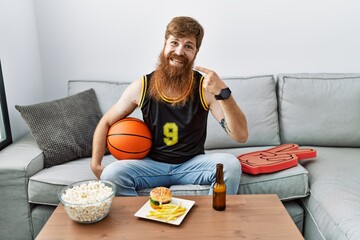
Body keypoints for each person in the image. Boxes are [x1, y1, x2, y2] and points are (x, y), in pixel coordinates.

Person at [91, 16, 248, 196]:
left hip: (192, 165)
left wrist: (223, 93)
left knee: (230, 165)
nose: (179, 51)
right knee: (111, 173)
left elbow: (241, 136)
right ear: (165, 44)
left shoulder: (205, 88)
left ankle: (215, 221)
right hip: (152, 166)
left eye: (188, 46)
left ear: (195, 53)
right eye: (174, 43)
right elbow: (106, 122)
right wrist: (95, 164)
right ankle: (140, 219)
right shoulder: (142, 86)